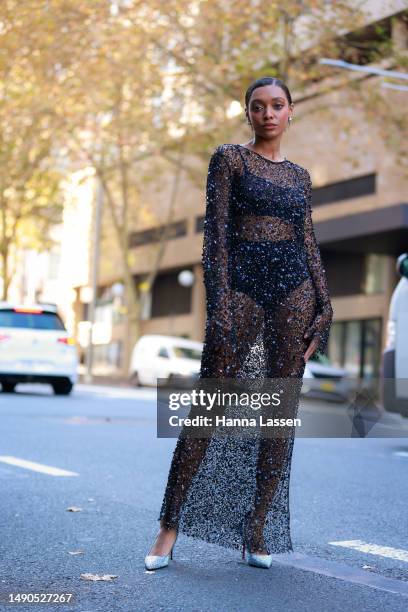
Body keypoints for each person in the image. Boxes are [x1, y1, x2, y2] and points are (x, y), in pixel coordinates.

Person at [144, 76, 333, 570]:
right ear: (247, 113)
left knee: (278, 416)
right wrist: (221, 303)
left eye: (277, 105)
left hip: (294, 291)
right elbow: (217, 234)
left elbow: (307, 242)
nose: (268, 113)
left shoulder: (300, 177)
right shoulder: (229, 159)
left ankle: (257, 529)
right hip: (243, 287)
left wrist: (325, 307)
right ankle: (168, 528)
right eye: (258, 106)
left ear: (291, 112)